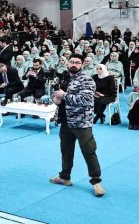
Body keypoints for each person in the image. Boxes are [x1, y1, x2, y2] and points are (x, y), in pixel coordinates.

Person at [50, 54, 105, 197]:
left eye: (77, 62)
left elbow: (85, 100)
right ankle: (64, 177)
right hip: (65, 121)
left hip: (81, 122)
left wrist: (63, 95)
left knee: (89, 151)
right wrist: (56, 99)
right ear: (68, 63)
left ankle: (96, 182)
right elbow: (56, 95)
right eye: (72, 62)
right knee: (66, 151)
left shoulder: (87, 80)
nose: (74, 64)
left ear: (82, 65)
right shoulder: (63, 78)